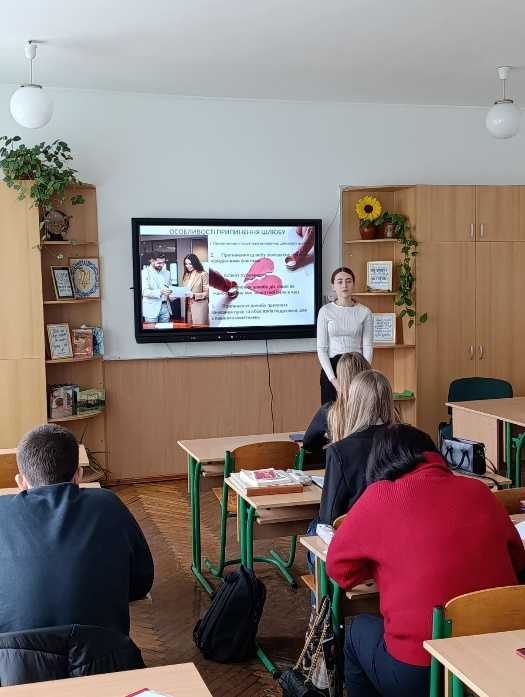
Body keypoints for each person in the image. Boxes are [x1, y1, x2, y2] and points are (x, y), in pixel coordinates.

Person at [327, 424, 525, 697]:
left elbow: (339, 572)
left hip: (419, 671)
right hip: (494, 658)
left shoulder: (379, 497)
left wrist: (384, 565)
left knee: (356, 632)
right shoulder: (479, 491)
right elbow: (518, 563)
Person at [0, 424, 154, 636]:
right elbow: (142, 580)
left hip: (14, 655)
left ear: (20, 482)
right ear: (79, 475)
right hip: (104, 650)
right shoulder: (108, 504)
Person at [318, 369, 397, 525]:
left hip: (356, 532)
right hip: (398, 530)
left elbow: (329, 516)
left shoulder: (339, 451)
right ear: (389, 400)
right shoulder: (409, 442)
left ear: (354, 403)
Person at [317, 267, 373, 404]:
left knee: (357, 410)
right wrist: (334, 381)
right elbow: (322, 349)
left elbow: (368, 346)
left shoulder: (365, 312)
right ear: (333, 286)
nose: (344, 285)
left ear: (353, 284)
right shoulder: (325, 311)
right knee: (331, 412)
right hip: (333, 368)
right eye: (340, 281)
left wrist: (363, 375)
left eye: (348, 281)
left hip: (357, 366)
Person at [303, 352, 371, 458]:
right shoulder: (384, 410)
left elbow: (308, 444)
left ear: (341, 380)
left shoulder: (329, 411)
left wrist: (331, 441)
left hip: (342, 465)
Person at [141, 251, 172, 324]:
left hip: (165, 307)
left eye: (163, 263)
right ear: (152, 261)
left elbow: (170, 288)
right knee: (151, 330)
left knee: (165, 330)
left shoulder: (167, 273)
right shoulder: (144, 272)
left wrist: (171, 295)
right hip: (151, 308)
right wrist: (160, 292)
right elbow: (144, 292)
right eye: (159, 263)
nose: (162, 265)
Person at [182, 253, 209, 325]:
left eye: (190, 264)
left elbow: (207, 293)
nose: (188, 266)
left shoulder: (203, 274)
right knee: (189, 328)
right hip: (188, 306)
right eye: (186, 264)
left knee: (199, 328)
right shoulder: (186, 275)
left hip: (199, 307)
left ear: (195, 263)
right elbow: (185, 290)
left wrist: (194, 295)